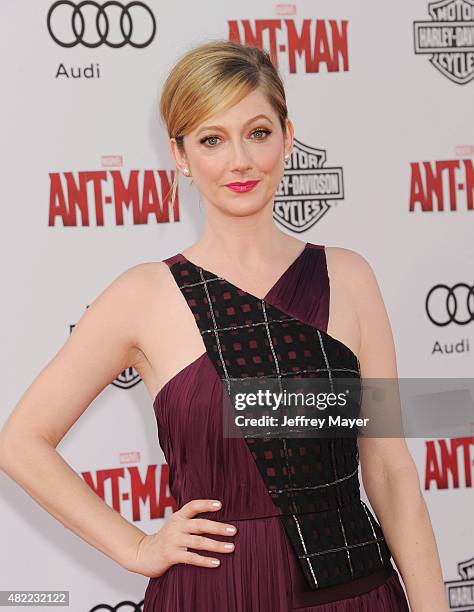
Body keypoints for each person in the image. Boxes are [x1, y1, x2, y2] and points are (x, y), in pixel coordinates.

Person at [0, 39, 449, 612]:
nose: (240, 160)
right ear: (181, 155)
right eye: (212, 139)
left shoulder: (350, 278)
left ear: (288, 137)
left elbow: (389, 470)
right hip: (215, 593)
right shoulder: (142, 295)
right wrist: (137, 546)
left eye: (258, 132)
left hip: (354, 592)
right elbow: (21, 443)